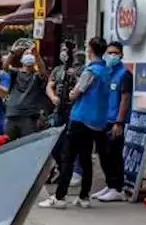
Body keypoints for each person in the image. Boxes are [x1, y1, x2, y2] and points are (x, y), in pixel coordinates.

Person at [38, 36, 111, 210]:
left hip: (80, 118)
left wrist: (72, 93)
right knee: (86, 158)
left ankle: (60, 197)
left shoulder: (90, 71)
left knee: (68, 157)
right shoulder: (106, 70)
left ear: (90, 50)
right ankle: (84, 197)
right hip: (97, 120)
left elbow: (75, 93)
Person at [92, 40, 134, 202]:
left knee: (114, 154)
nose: (112, 56)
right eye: (109, 53)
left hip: (115, 121)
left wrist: (119, 122)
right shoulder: (107, 73)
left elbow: (125, 99)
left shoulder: (124, 74)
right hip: (103, 120)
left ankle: (117, 188)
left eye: (115, 53)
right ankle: (110, 185)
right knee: (104, 154)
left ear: (121, 55)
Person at [45, 41, 82, 185]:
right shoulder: (57, 69)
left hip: (74, 110)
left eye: (67, 50)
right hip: (58, 110)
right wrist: (53, 97)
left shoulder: (79, 69)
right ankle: (61, 169)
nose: (64, 53)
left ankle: (76, 172)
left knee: (73, 142)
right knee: (56, 143)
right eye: (62, 50)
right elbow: (50, 85)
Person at [3, 43, 49, 141]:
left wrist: (36, 54)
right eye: (26, 54)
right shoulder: (15, 73)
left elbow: (43, 72)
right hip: (12, 115)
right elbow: (5, 67)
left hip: (29, 117)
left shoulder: (36, 76)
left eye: (31, 54)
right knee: (7, 146)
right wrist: (12, 52)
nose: (29, 55)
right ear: (21, 59)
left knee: (27, 145)